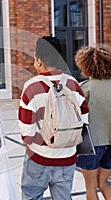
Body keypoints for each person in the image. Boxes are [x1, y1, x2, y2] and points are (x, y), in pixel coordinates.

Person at [18, 35, 89, 200]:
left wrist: (47, 141)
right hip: (67, 158)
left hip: (39, 158)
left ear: (39, 60)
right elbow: (84, 121)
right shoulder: (73, 84)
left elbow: (27, 133)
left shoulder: (31, 87)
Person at [75, 45, 111, 200]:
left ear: (85, 65)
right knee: (104, 184)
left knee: (91, 188)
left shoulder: (83, 88)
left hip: (90, 144)